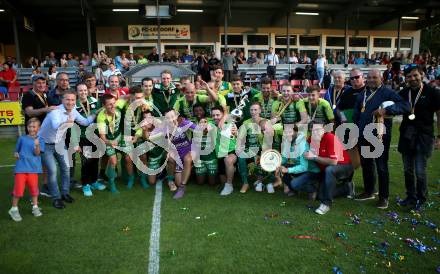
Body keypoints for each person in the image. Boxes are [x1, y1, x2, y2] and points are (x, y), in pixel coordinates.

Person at [353, 69, 410, 209]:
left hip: (380, 135)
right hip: (364, 134)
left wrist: (386, 110)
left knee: (381, 166)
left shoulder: (387, 93)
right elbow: (356, 114)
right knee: (366, 164)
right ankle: (369, 190)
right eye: (370, 77)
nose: (372, 79)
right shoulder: (363, 94)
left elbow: (405, 105)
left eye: (375, 77)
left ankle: (384, 197)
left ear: (381, 79)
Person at [39, 90, 96, 209]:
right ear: (62, 100)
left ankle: (65, 193)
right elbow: (55, 125)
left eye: (73, 100)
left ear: (75, 101)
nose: (70, 102)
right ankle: (56, 198)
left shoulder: (74, 111)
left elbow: (85, 122)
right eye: (67, 99)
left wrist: (97, 113)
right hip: (45, 144)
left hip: (59, 143)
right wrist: (67, 122)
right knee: (53, 171)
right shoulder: (56, 111)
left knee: (66, 168)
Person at [398, 64, 440, 210]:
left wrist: (439, 136)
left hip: (424, 135)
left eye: (415, 75)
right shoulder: (403, 93)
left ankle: (421, 199)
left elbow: (439, 114)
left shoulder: (432, 92)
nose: (412, 78)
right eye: (409, 76)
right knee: (407, 169)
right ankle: (410, 196)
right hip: (406, 134)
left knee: (420, 170)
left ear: (422, 75)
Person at [304, 124, 354, 215]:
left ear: (324, 129)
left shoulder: (331, 138)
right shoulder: (311, 139)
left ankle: (326, 204)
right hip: (326, 169)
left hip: (344, 167)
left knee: (330, 170)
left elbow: (333, 162)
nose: (315, 132)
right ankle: (347, 188)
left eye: (318, 130)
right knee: (320, 195)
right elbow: (303, 147)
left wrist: (314, 157)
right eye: (313, 130)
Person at [8, 118, 44, 222]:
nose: (31, 129)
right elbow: (16, 150)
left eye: (34, 127)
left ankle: (35, 207)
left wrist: (36, 144)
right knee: (18, 190)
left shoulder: (40, 140)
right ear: (27, 127)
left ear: (38, 128)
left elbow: (37, 153)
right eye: (29, 127)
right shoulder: (22, 138)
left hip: (33, 170)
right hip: (21, 169)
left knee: (34, 189)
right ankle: (14, 209)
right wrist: (16, 153)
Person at [74, 83, 106, 197]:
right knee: (86, 161)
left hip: (95, 135)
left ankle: (94, 181)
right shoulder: (74, 105)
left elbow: (100, 112)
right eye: (80, 91)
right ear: (77, 92)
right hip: (83, 137)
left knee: (95, 159)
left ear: (87, 91)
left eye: (84, 90)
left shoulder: (93, 100)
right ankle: (85, 184)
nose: (83, 93)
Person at [97, 94, 134, 193]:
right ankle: (111, 183)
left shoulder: (118, 105)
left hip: (120, 137)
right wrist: (110, 142)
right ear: (104, 106)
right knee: (113, 161)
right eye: (109, 105)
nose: (113, 106)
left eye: (114, 103)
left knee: (128, 158)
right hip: (109, 140)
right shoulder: (101, 118)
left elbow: (129, 96)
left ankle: (131, 178)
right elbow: (102, 137)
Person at [280, 124, 320, 200]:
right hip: (301, 168)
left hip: (311, 171)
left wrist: (288, 170)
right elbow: (284, 159)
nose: (287, 134)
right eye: (285, 132)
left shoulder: (303, 144)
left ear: (296, 132)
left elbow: (304, 167)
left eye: (290, 132)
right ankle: (294, 190)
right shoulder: (287, 142)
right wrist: (273, 163)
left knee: (294, 183)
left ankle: (313, 189)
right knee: (282, 171)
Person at [236, 102, 267, 193]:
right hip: (250, 149)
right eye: (251, 110)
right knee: (241, 156)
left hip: (263, 150)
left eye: (255, 110)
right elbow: (240, 138)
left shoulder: (266, 122)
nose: (253, 112)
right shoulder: (246, 122)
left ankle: (261, 181)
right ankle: (245, 183)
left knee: (262, 157)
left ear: (260, 110)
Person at [211, 106, 238, 196]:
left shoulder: (230, 123)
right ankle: (229, 178)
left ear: (223, 115)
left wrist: (236, 132)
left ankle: (229, 185)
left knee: (228, 160)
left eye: (218, 115)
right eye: (213, 115)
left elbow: (232, 115)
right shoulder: (211, 123)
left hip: (232, 151)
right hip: (219, 154)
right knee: (222, 181)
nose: (215, 117)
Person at [191, 104, 218, 186]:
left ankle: (214, 173)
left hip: (211, 156)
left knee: (212, 183)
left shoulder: (211, 121)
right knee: (200, 182)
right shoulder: (192, 122)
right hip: (199, 157)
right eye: (196, 111)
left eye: (200, 110)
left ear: (204, 111)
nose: (198, 112)